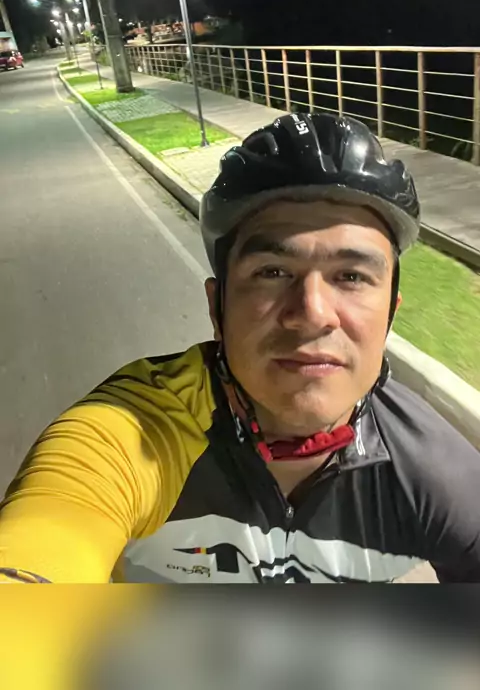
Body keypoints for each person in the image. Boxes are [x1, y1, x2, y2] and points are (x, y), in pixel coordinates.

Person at [0, 112, 479, 584]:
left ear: (390, 313)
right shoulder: (137, 431)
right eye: (272, 272)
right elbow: (56, 520)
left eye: (351, 276)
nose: (313, 313)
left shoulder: (433, 469)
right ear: (217, 307)